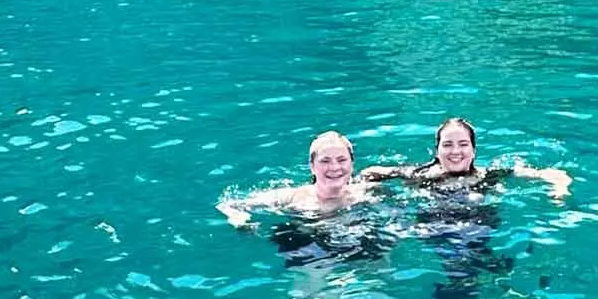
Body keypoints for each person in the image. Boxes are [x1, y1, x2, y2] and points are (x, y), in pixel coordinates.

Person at [363, 118, 571, 198]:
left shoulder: (490, 175)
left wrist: (559, 189)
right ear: (437, 151)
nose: (455, 151)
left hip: (477, 229)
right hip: (431, 230)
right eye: (447, 145)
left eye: (463, 144)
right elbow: (370, 172)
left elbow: (554, 174)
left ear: (473, 151)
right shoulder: (418, 173)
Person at [219, 131, 374, 227]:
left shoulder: (365, 193)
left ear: (352, 164)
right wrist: (238, 218)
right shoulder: (291, 197)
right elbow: (229, 205)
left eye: (341, 160)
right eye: (325, 161)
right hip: (308, 247)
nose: (334, 167)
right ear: (312, 166)